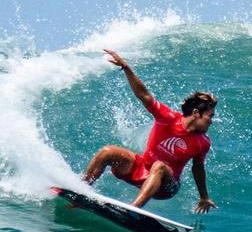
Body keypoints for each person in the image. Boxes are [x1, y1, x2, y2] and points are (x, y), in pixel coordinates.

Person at [82, 49, 218, 213]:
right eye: (209, 116)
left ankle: (132, 210)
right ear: (196, 113)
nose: (212, 120)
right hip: (141, 170)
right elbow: (144, 95)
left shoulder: (202, 142)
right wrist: (125, 67)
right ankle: (80, 190)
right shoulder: (168, 118)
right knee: (107, 151)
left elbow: (198, 168)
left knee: (159, 166)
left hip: (167, 186)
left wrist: (204, 197)